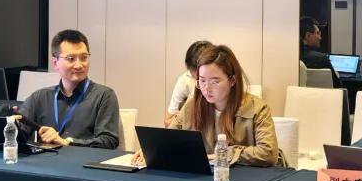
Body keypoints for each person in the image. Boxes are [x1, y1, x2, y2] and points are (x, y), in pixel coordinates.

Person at [135, 44, 282, 167]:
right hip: (206, 178)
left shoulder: (257, 108)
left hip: (246, 179)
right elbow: (168, 138)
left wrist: (225, 153)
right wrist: (152, 150)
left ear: (232, 81)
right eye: (202, 81)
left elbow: (268, 153)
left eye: (214, 81)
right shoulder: (192, 105)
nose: (206, 88)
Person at [15, 29, 121, 149]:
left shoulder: (104, 96)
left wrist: (67, 142)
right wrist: (10, 122)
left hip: (83, 160)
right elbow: (18, 135)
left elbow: (109, 141)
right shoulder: (39, 97)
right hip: (44, 160)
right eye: (71, 58)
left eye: (84, 58)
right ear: (55, 63)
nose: (79, 65)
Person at [165, 40, 211, 127]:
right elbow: (168, 122)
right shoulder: (185, 80)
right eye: (197, 79)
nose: (202, 86)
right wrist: (186, 111)